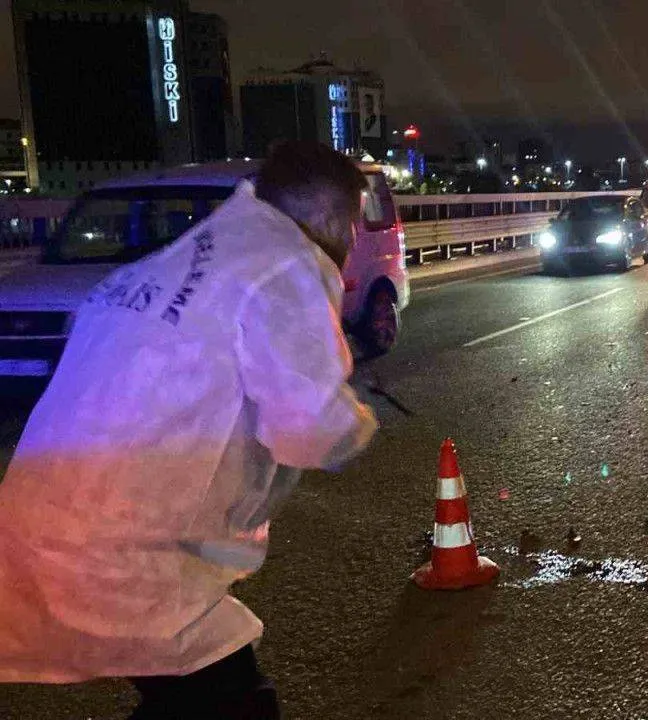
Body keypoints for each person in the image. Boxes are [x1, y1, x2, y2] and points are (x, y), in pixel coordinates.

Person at [0, 141, 379, 719]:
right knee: (233, 703)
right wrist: (358, 421)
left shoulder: (186, 256)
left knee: (188, 697)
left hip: (43, 523)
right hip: (124, 545)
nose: (351, 242)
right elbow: (310, 428)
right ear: (331, 216)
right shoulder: (283, 264)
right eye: (353, 225)